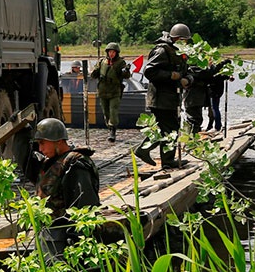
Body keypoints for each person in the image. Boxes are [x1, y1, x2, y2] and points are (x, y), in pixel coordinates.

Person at [27, 117, 100, 252]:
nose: (40, 148)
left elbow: (84, 204)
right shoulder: (50, 163)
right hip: (48, 238)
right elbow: (24, 159)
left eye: (43, 143)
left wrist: (76, 241)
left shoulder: (75, 165)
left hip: (63, 241)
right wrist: (21, 131)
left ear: (58, 141)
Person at [135, 23, 192, 168]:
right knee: (169, 129)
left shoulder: (179, 52)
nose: (185, 43)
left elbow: (187, 71)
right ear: (177, 38)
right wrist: (171, 76)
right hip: (161, 97)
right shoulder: (162, 50)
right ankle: (166, 161)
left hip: (172, 97)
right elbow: (149, 71)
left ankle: (145, 150)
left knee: (165, 128)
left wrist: (187, 79)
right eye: (183, 40)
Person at [91, 42, 131, 142]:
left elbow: (126, 76)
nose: (111, 54)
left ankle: (112, 132)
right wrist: (95, 70)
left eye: (113, 52)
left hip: (114, 91)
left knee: (113, 111)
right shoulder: (102, 62)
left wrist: (126, 71)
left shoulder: (120, 63)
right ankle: (109, 128)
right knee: (106, 112)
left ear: (116, 53)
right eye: (109, 52)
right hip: (103, 91)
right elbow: (93, 75)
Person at [206, 62, 232, 131]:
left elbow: (217, 76)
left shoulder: (212, 71)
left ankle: (217, 126)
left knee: (215, 109)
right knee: (215, 108)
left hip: (214, 93)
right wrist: (229, 77)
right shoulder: (219, 72)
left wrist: (229, 76)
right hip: (218, 92)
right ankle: (216, 125)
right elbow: (224, 76)